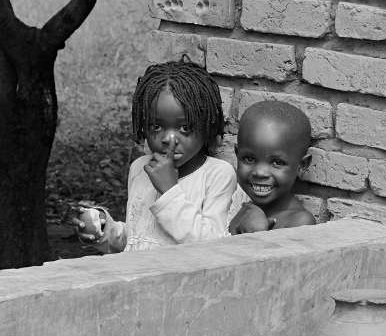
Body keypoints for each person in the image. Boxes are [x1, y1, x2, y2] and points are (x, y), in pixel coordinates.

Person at [73, 60, 236, 252]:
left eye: (185, 127)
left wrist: (170, 191)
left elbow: (212, 245)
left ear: (207, 125)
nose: (169, 138)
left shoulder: (216, 175)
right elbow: (137, 238)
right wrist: (104, 229)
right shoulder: (140, 168)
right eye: (156, 126)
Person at [228, 100, 316, 235]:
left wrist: (255, 235)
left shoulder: (299, 222)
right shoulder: (244, 209)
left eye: (277, 162)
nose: (260, 172)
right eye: (249, 159)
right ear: (237, 154)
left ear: (302, 165)